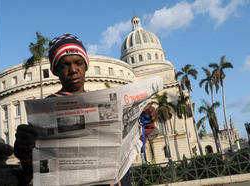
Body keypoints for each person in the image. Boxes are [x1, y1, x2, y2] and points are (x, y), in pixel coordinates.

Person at [14, 33, 156, 186]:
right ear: (56, 70)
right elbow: (37, 168)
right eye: (64, 65)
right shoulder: (47, 109)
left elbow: (132, 142)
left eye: (78, 63)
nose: (73, 70)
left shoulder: (107, 102)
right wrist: (25, 150)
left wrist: (146, 120)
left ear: (86, 65)